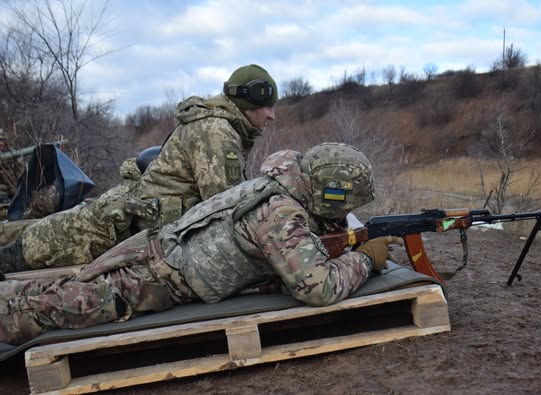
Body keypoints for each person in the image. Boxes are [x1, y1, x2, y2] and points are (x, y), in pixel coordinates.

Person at [0, 143, 399, 346]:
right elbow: (319, 288)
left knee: (50, 295)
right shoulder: (281, 212)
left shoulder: (281, 184)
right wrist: (364, 260)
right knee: (50, 309)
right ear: (331, 194)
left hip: (157, 253)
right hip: (153, 278)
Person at [0, 64, 278, 273]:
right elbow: (223, 207)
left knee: (33, 236)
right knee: (30, 248)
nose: (271, 115)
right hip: (115, 227)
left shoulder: (221, 127)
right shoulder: (217, 132)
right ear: (248, 102)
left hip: (126, 220)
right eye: (267, 106)